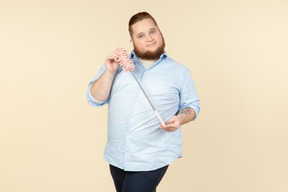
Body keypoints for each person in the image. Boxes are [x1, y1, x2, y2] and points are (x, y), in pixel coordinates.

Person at [87, 12, 200, 192]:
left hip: (152, 156)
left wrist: (180, 118)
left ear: (160, 33)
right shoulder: (116, 66)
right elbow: (95, 99)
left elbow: (192, 106)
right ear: (132, 41)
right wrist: (109, 72)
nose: (149, 38)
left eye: (152, 32)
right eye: (141, 35)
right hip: (118, 155)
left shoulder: (179, 72)